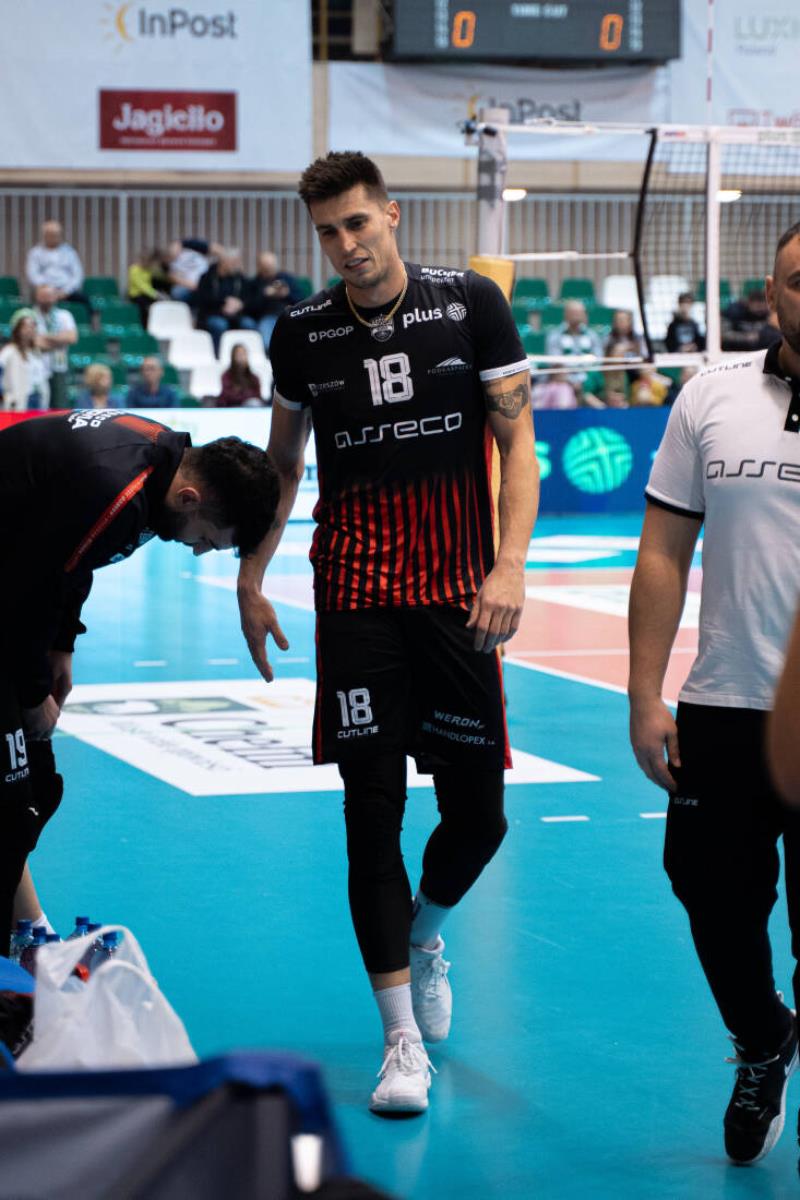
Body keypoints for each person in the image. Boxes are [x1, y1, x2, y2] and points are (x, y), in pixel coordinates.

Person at [236, 151, 538, 1115]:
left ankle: (424, 931)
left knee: (479, 817)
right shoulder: (302, 333)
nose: (346, 245)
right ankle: (400, 1040)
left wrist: (509, 564)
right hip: (356, 596)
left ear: (392, 215)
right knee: (371, 815)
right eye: (328, 232)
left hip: (458, 596)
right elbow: (284, 468)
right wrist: (252, 573)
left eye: (358, 223)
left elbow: (516, 441)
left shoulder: (470, 305)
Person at [628, 221, 800, 1170]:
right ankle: (763, 1038)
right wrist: (644, 693)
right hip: (726, 702)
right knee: (706, 890)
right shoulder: (712, 394)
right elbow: (663, 551)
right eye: (798, 280)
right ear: (770, 295)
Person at [0, 413, 280, 955]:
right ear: (191, 499)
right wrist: (32, 696)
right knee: (14, 797)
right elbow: (22, 591)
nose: (198, 550)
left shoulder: (159, 468)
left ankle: (27, 933)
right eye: (208, 540)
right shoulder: (117, 489)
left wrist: (63, 646)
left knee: (34, 787)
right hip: (9, 598)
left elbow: (70, 562)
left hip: (14, 584)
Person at [25, 220, 91, 319]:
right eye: (50, 235)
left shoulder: (69, 252)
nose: (53, 238)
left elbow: (77, 275)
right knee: (33, 304)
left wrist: (66, 291)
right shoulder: (35, 252)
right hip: (44, 291)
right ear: (44, 235)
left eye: (56, 235)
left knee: (86, 301)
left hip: (67, 291)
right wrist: (47, 289)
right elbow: (33, 274)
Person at [195, 247, 255, 353]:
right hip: (212, 314)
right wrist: (224, 302)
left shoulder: (240, 278)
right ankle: (218, 355)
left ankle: (246, 356)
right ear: (224, 262)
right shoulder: (207, 277)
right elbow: (203, 300)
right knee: (219, 325)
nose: (237, 265)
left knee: (248, 324)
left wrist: (240, 304)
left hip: (236, 316)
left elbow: (250, 297)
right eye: (234, 262)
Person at [545, 300, 604, 406]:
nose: (576, 316)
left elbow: (598, 362)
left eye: (579, 313)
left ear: (584, 315)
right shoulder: (556, 336)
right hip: (564, 381)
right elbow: (556, 364)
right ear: (565, 315)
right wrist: (572, 382)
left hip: (589, 380)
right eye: (573, 313)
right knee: (563, 394)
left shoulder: (592, 336)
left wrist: (584, 383)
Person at [244, 252, 305, 353]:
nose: (269, 270)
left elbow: (302, 300)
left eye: (271, 267)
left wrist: (287, 294)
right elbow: (249, 307)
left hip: (289, 316)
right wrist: (265, 295)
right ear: (259, 267)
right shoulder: (254, 283)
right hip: (267, 318)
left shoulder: (287, 278)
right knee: (267, 342)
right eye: (266, 267)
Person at [31, 285, 78, 409]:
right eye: (43, 296)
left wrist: (45, 337)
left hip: (59, 366)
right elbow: (34, 342)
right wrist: (59, 340)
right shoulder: (31, 316)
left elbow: (72, 337)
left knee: (60, 405)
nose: (47, 299)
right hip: (38, 367)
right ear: (37, 297)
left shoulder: (64, 315)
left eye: (49, 296)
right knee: (41, 405)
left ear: (55, 297)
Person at [0, 309, 48, 411]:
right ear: (17, 329)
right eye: (25, 326)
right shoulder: (9, 351)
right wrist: (4, 397)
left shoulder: (36, 352)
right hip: (17, 403)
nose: (30, 330)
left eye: (33, 326)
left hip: (37, 399)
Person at [127, 249, 170, 329]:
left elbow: (160, 277)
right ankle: (144, 327)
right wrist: (155, 294)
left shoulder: (148, 269)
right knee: (143, 307)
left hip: (148, 295)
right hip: (136, 295)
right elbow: (142, 286)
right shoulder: (134, 269)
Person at [722, 287, 770, 351]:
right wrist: (746, 337)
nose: (761, 309)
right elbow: (724, 335)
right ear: (748, 303)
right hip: (736, 351)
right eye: (758, 306)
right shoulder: (734, 313)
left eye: (763, 306)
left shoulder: (770, 315)